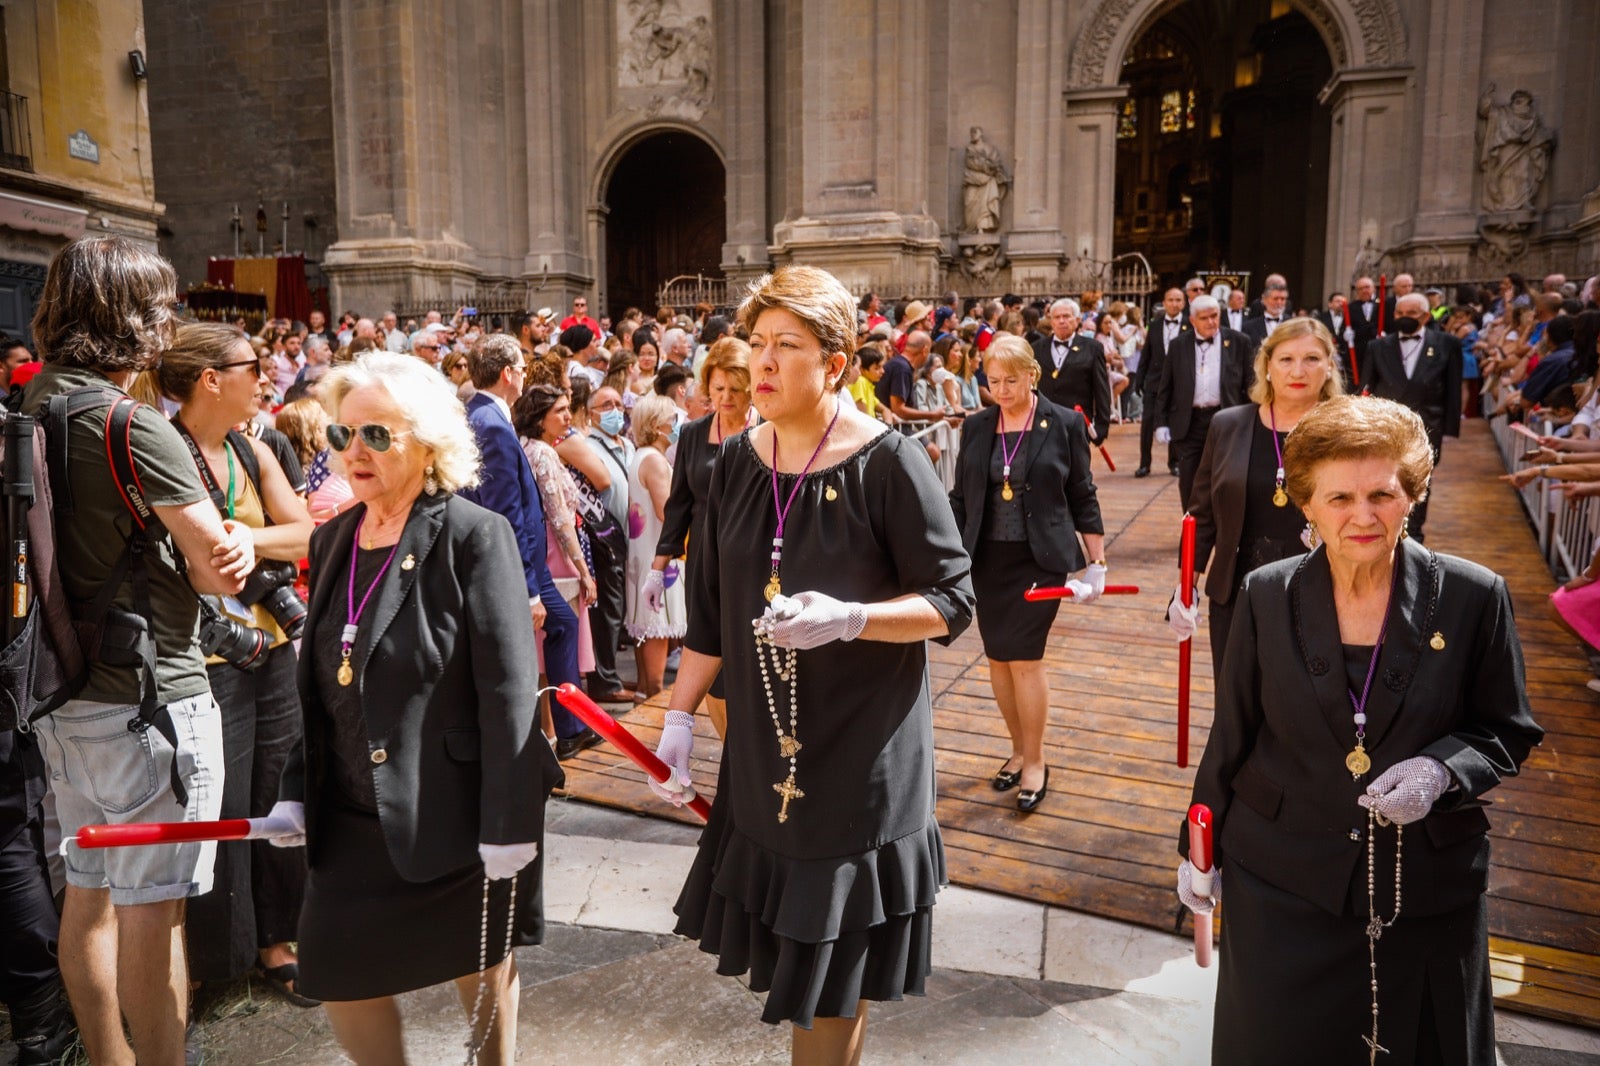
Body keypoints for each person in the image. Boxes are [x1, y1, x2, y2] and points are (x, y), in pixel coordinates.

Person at [649, 265, 974, 1064]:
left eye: (785, 346)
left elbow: (954, 601)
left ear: (835, 364)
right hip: (765, 752)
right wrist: (681, 716)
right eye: (756, 344)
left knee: (832, 980)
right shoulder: (731, 464)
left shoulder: (889, 461)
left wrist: (855, 618)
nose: (761, 364)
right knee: (794, 970)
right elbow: (714, 616)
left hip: (861, 758)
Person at [1175, 395, 1543, 1065]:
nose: (1363, 515)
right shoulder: (1265, 593)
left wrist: (1441, 772)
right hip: (1282, 881)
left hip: (1421, 889)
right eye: (1339, 497)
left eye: (1383, 494)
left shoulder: (1473, 594)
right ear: (1306, 502)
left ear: (1414, 495)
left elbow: (1505, 729)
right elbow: (1234, 732)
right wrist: (1197, 846)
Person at [275, 353, 559, 1065]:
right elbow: (323, 683)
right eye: (341, 437)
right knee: (336, 969)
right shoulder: (333, 537)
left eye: (375, 434)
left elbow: (507, 689)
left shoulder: (472, 534)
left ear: (426, 442)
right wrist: (292, 790)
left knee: (479, 961)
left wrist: (509, 824)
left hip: (452, 813)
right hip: (348, 816)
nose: (353, 453)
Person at [23, 235, 254, 1065]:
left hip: (58, 688)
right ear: (136, 320)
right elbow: (216, 570)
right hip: (151, 694)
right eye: (162, 306)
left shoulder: (31, 403)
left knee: (86, 892)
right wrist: (240, 546)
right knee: (156, 910)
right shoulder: (131, 426)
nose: (171, 322)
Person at [158, 323, 318, 1003]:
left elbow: (308, 531)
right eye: (253, 367)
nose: (267, 377)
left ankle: (276, 940)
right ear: (209, 379)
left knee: (277, 799)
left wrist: (246, 538)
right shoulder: (165, 450)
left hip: (273, 653)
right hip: (205, 659)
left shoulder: (253, 449)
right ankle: (209, 960)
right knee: (216, 806)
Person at [949, 334, 1106, 812]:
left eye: (1011, 381)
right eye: (993, 381)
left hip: (1040, 560)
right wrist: (944, 557)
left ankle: (1035, 760)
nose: (1002, 390)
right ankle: (1016, 749)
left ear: (1032, 375)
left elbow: (1082, 492)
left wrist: (1096, 562)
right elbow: (960, 498)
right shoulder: (976, 426)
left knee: (1025, 658)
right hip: (987, 560)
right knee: (998, 659)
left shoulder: (1063, 423)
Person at [1167, 318, 1345, 683]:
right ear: (1266, 367)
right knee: (1236, 698)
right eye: (1286, 359)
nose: (1298, 371)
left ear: (1329, 366)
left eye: (1312, 359)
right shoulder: (1228, 425)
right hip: (1238, 587)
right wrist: (1187, 585)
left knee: (1304, 700)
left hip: (1322, 587)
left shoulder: (1345, 431)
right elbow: (1201, 514)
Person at [459, 336, 595, 758]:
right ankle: (537, 741)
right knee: (528, 646)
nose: (523, 372)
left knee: (563, 626)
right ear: (508, 374)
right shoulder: (493, 425)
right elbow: (505, 514)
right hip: (514, 570)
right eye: (521, 366)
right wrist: (528, 589)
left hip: (522, 566)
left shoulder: (483, 415)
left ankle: (568, 728)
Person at [645, 337, 754, 735]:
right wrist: (659, 566)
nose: (725, 398)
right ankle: (730, 752)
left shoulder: (768, 432)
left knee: (750, 658)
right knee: (709, 654)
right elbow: (679, 505)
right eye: (718, 388)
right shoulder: (692, 434)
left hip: (754, 562)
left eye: (735, 390)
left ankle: (755, 753)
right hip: (704, 559)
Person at [1359, 293, 1463, 543]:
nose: (1404, 318)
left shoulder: (1447, 344)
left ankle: (1414, 534)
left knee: (1419, 480)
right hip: (1384, 426)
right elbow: (1365, 387)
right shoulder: (1377, 346)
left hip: (1428, 425)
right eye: (1400, 314)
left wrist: (1450, 430)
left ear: (1426, 316)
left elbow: (1453, 389)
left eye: (1412, 314)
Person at [1153, 294, 1253, 510]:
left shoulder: (1239, 342)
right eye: (1204, 318)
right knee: (1189, 479)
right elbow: (1166, 387)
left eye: (1215, 316)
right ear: (1192, 320)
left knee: (1225, 479)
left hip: (1226, 420)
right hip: (1190, 423)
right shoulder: (1178, 345)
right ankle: (1191, 532)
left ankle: (1220, 530)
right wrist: (1160, 422)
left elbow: (1250, 386)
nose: (1211, 322)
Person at [625, 394, 687, 696]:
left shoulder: (642, 455)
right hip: (656, 554)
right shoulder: (654, 461)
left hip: (643, 550)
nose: (676, 424)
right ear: (655, 424)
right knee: (656, 629)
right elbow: (667, 511)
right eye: (671, 419)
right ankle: (653, 693)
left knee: (646, 627)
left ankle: (644, 690)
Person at [583, 386, 639, 703]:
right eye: (606, 404)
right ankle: (604, 682)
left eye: (618, 403)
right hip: (604, 541)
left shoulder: (627, 445)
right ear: (591, 413)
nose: (614, 409)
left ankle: (611, 675)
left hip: (631, 540)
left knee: (618, 613)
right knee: (607, 613)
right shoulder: (589, 446)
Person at [1033, 298, 1113, 446]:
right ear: (1051, 321)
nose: (1062, 321)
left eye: (1066, 316)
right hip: (1044, 424)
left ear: (1077, 320)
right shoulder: (1036, 348)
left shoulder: (1092, 348)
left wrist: (1101, 427)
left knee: (1078, 469)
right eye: (1057, 317)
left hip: (1077, 424)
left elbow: (1101, 389)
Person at [1137, 288, 1189, 477]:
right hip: (1155, 381)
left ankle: (1174, 462)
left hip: (1178, 383)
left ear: (1183, 303)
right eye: (1170, 300)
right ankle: (1144, 463)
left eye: (1178, 300)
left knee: (1175, 422)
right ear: (1164, 302)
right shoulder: (1155, 324)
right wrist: (1139, 379)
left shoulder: (1189, 324)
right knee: (1147, 423)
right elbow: (1146, 354)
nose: (1174, 303)